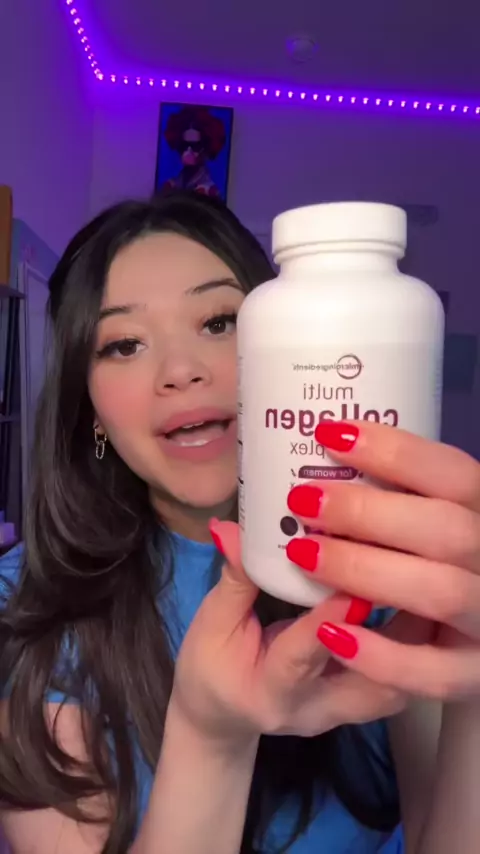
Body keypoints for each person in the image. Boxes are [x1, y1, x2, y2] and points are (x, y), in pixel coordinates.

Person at [0, 191, 479, 854]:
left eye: (219, 321)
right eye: (125, 344)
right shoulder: (23, 602)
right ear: (92, 413)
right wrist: (212, 736)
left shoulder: (390, 567)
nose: (181, 372)